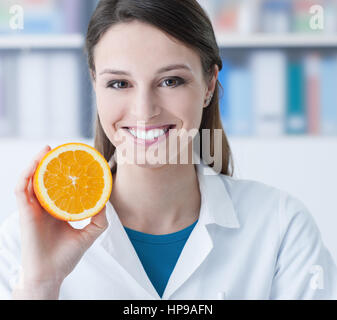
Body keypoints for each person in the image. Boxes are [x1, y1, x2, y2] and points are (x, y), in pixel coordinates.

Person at [1, 0, 337, 300]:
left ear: (208, 85)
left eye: (170, 81)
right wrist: (40, 285)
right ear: (95, 84)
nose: (144, 110)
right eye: (119, 83)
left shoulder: (280, 226)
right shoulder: (25, 240)